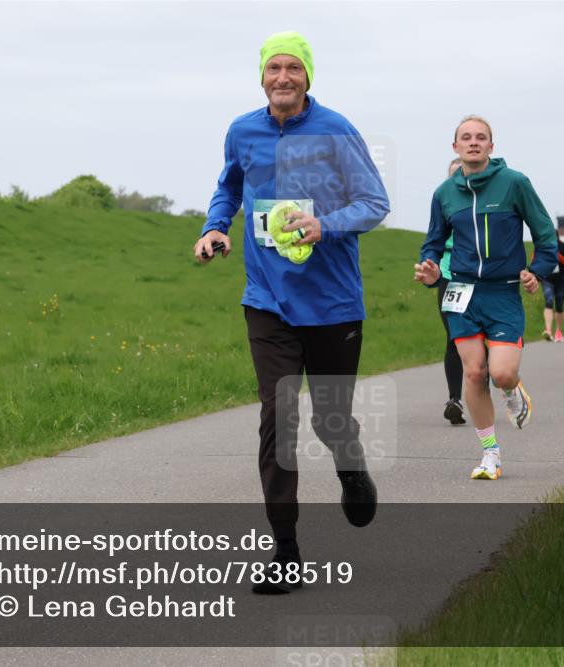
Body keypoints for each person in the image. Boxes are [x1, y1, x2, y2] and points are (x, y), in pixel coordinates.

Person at [194, 31, 390, 594]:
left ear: (308, 76)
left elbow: (374, 202)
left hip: (332, 304)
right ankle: (286, 552)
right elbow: (229, 186)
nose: (283, 77)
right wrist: (214, 226)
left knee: (331, 420)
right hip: (267, 301)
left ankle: (351, 468)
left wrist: (326, 224)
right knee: (278, 420)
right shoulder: (242, 131)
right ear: (262, 77)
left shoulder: (336, 129)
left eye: (294, 68)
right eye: (274, 68)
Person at [415, 115, 558, 481]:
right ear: (455, 146)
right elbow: (433, 242)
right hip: (461, 291)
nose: (473, 142)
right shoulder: (444, 194)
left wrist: (537, 270)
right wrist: (431, 269)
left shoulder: (514, 184)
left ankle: (511, 390)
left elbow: (545, 234)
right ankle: (490, 454)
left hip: (503, 291)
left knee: (502, 373)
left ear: (491, 146)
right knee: (475, 372)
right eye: (466, 137)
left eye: (481, 137)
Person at [438, 157, 467, 424]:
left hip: (483, 279)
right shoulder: (443, 201)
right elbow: (433, 238)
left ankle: (485, 388)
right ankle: (455, 400)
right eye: (453, 174)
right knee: (454, 337)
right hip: (450, 277)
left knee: (483, 337)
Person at [538, 239, 564, 342]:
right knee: (549, 301)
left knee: (559, 305)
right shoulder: (542, 245)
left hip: (561, 279)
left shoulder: (562, 246)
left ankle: (558, 331)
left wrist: (558, 256)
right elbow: (535, 259)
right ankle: (548, 331)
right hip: (547, 278)